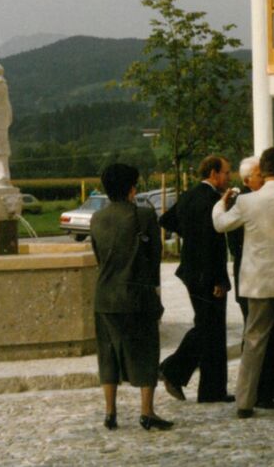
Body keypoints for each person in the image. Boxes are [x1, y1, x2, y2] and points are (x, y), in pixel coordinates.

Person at [212, 146, 274, 418]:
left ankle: (245, 401)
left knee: (254, 341)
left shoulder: (247, 202)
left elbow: (220, 224)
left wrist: (220, 203)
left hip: (256, 282)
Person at [89, 163, 172, 431]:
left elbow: (99, 257)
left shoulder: (96, 219)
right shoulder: (145, 216)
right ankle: (147, 411)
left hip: (104, 296)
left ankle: (110, 412)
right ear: (132, 187)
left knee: (108, 352)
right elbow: (154, 259)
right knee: (146, 351)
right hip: (136, 295)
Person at [158, 156, 233, 404]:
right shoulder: (213, 201)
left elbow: (166, 220)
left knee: (209, 328)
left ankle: (211, 391)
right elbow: (215, 246)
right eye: (226, 172)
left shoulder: (190, 195)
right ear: (214, 173)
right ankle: (173, 370)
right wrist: (221, 280)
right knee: (210, 328)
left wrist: (189, 234)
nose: (228, 177)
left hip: (191, 271)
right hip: (208, 274)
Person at [225, 156, 274, 408]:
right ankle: (259, 389)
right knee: (257, 334)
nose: (263, 179)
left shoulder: (265, 201)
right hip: (252, 277)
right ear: (247, 179)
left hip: (269, 275)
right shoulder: (240, 203)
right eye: (258, 175)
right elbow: (236, 243)